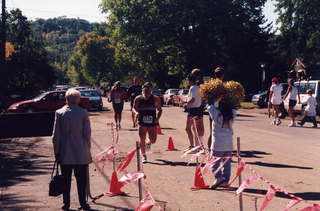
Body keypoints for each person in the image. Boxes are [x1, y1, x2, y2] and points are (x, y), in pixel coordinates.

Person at [52, 88, 92, 211]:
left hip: (64, 153)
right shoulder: (83, 113)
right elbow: (87, 134)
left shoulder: (59, 113)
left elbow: (55, 136)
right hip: (81, 152)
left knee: (66, 180)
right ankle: (83, 203)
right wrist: (88, 148)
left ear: (66, 99)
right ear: (78, 99)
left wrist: (56, 152)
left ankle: (66, 203)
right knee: (81, 180)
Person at [207, 98, 236, 189]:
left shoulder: (216, 114)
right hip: (228, 144)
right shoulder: (232, 115)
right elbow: (234, 108)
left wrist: (213, 97)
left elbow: (209, 106)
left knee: (214, 162)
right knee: (226, 163)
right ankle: (225, 180)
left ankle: (219, 177)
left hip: (217, 144)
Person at [133, 82, 162, 163]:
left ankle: (148, 142)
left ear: (151, 90)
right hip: (142, 120)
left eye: (148, 90)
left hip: (152, 121)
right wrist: (136, 113)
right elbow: (133, 108)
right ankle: (143, 155)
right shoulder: (138, 98)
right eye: (145, 90)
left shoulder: (156, 99)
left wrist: (157, 118)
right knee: (142, 138)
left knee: (153, 140)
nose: (147, 92)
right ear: (143, 90)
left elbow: (160, 110)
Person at [185, 74, 205, 152]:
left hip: (193, 110)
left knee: (188, 128)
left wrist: (186, 103)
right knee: (196, 128)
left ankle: (193, 146)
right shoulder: (199, 87)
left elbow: (193, 99)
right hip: (198, 109)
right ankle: (198, 146)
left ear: (189, 81)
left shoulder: (192, 88)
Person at [207, 67, 225, 151]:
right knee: (222, 131)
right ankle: (220, 149)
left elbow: (207, 98)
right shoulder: (224, 86)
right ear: (223, 75)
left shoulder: (210, 86)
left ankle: (210, 149)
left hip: (212, 110)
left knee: (212, 131)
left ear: (215, 75)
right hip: (221, 110)